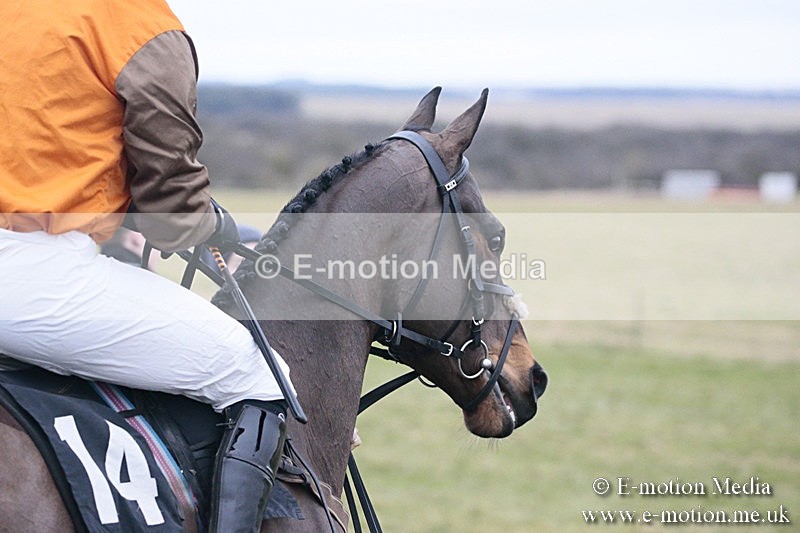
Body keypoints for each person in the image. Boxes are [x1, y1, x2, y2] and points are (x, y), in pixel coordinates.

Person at [0, 2, 293, 531]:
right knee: (257, 373)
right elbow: (170, 205)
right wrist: (208, 226)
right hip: (28, 271)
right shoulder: (136, 23)